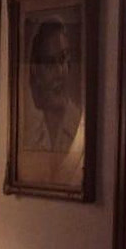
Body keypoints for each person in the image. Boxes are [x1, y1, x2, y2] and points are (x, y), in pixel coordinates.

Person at [25, 18, 83, 158]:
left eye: (63, 59)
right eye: (49, 63)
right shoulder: (30, 133)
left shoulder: (80, 124)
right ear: (36, 72)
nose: (60, 72)